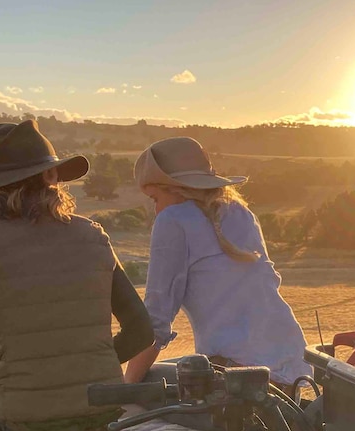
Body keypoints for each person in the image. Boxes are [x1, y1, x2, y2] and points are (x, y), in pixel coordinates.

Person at [0, 120, 154, 431]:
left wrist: (14, 378)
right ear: (51, 177)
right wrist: (91, 366)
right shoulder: (93, 235)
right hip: (103, 425)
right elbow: (142, 331)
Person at [124, 137, 311, 391]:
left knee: (146, 387)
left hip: (236, 376)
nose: (156, 209)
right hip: (291, 367)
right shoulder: (241, 211)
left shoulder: (173, 219)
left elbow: (156, 320)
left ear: (175, 189)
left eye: (154, 198)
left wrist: (126, 388)